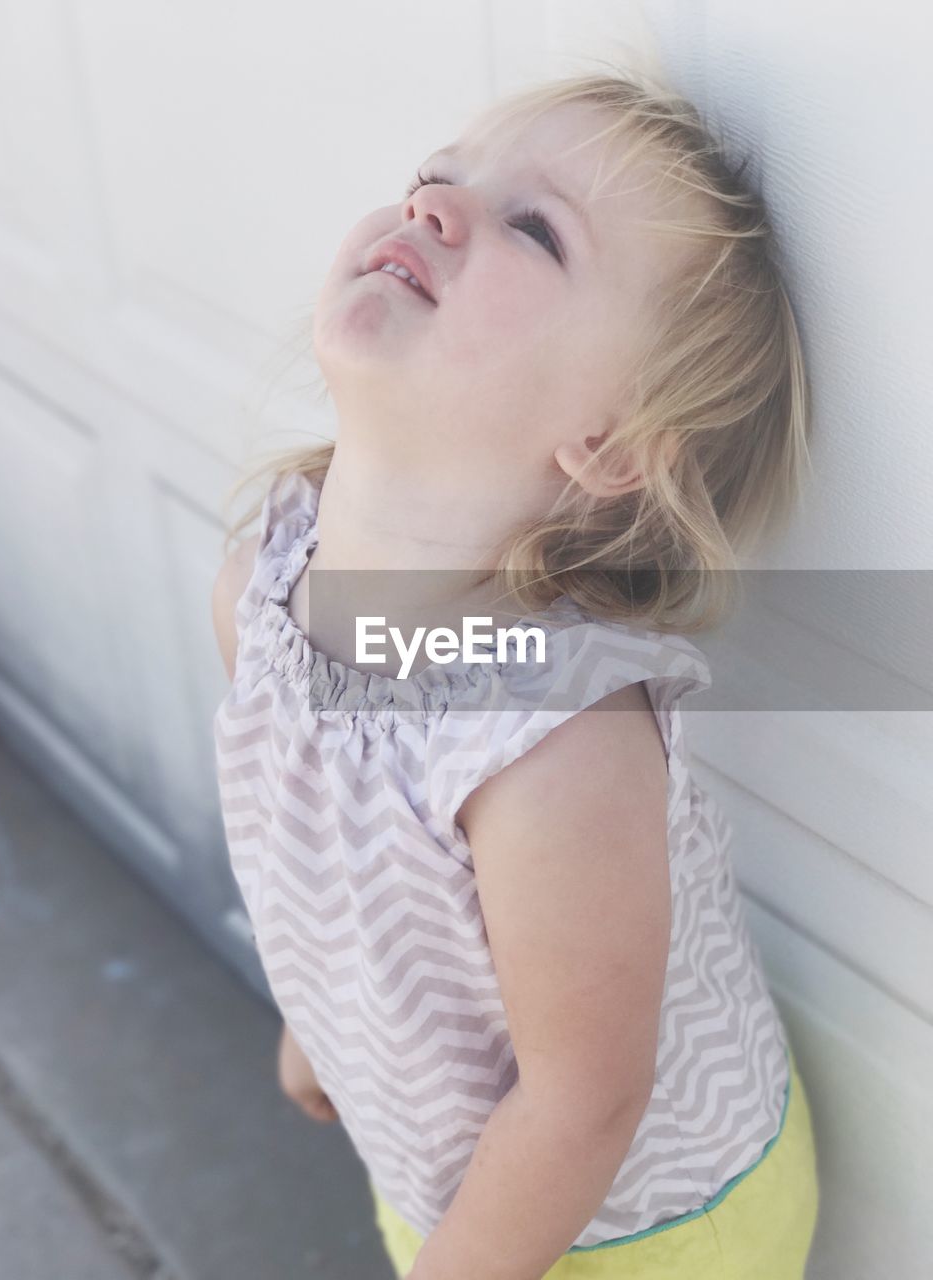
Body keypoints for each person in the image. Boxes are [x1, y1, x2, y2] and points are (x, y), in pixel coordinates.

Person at [211, 66, 820, 1280]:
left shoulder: (551, 742)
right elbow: (315, 847)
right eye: (439, 175)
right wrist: (316, 1023)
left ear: (607, 445)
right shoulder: (265, 582)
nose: (435, 203)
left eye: (533, 228)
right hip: (448, 1174)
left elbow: (584, 1101)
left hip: (651, 1229)